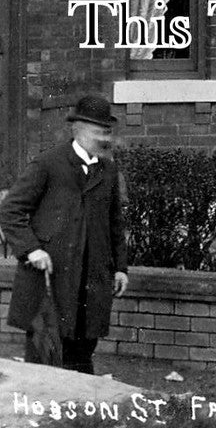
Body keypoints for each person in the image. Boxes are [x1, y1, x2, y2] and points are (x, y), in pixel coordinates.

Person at [0, 94, 128, 375]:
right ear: (78, 130)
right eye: (100, 132)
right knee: (45, 363)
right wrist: (31, 249)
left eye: (108, 131)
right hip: (50, 282)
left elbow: (114, 222)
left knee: (82, 359)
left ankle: (80, 414)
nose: (106, 139)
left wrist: (120, 268)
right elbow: (10, 210)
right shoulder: (48, 164)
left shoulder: (108, 169)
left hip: (90, 282)